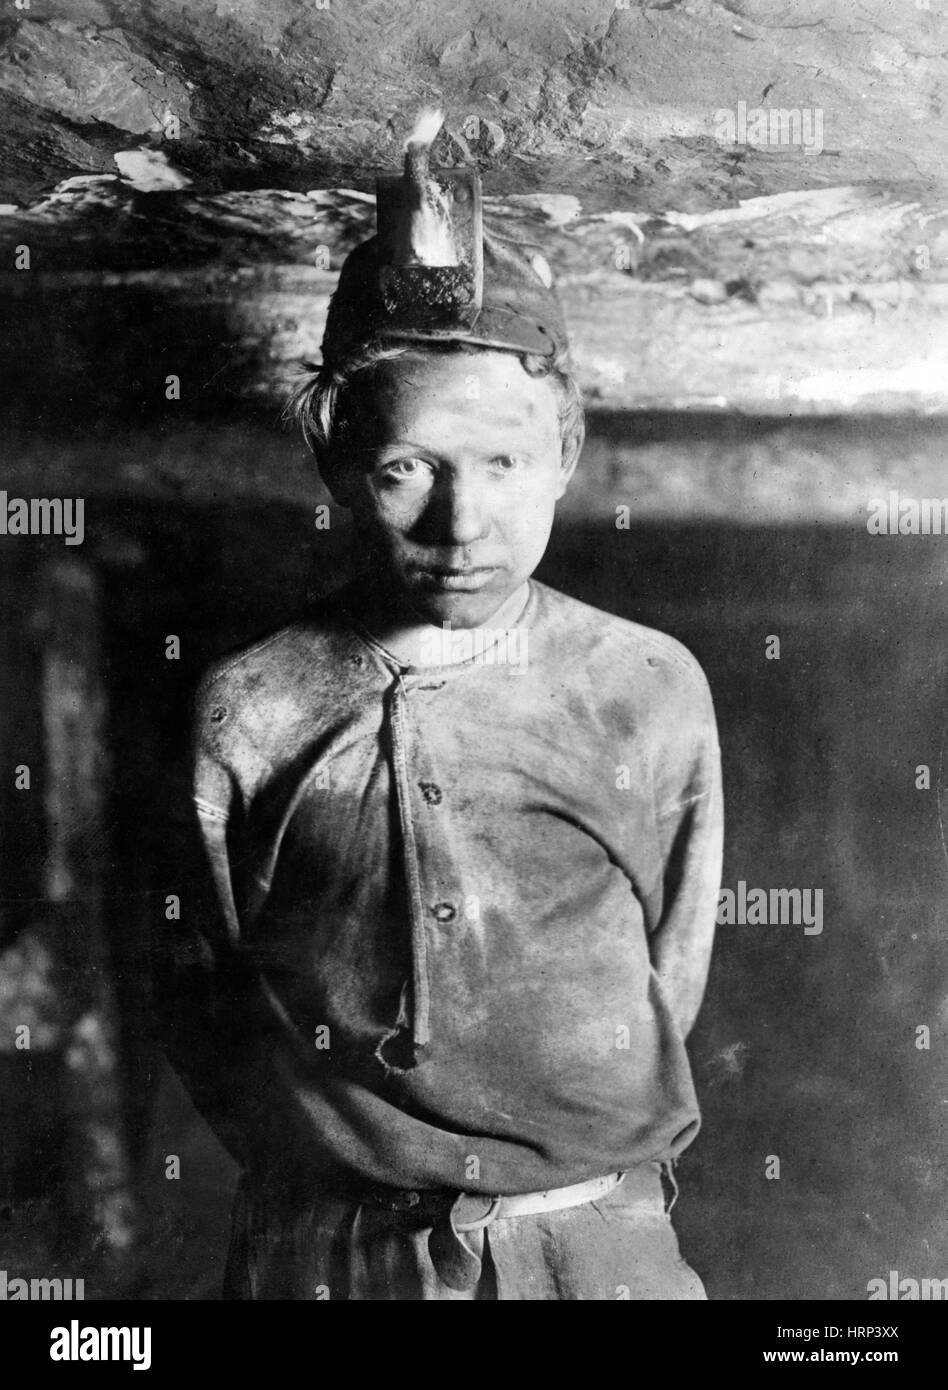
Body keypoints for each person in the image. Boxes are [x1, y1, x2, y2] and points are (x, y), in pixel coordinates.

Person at [157, 110, 724, 1300]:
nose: (462, 527)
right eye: (406, 469)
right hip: (327, 1259)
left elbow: (670, 977)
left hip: (589, 1251)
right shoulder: (250, 707)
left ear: (568, 452)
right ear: (334, 463)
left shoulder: (646, 686)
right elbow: (208, 1003)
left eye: (506, 464)